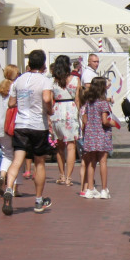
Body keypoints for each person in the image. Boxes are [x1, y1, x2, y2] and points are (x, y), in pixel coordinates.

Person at [2, 49, 54, 216]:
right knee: (39, 162)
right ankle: (38, 201)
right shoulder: (45, 81)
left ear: (29, 63)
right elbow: (46, 98)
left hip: (21, 125)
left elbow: (11, 103)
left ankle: (9, 188)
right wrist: (50, 109)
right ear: (44, 64)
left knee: (17, 160)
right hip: (38, 125)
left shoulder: (19, 80)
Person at [79, 77, 114, 199]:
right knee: (103, 161)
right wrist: (113, 123)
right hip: (101, 134)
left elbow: (86, 118)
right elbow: (105, 121)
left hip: (90, 133)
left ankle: (90, 189)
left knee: (91, 161)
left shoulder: (89, 102)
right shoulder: (103, 103)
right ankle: (104, 189)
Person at [50, 54, 80, 186]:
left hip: (57, 111)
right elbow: (78, 100)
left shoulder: (52, 82)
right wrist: (79, 115)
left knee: (59, 147)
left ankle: (61, 175)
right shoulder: (75, 80)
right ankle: (68, 177)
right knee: (71, 146)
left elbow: (50, 100)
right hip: (71, 111)